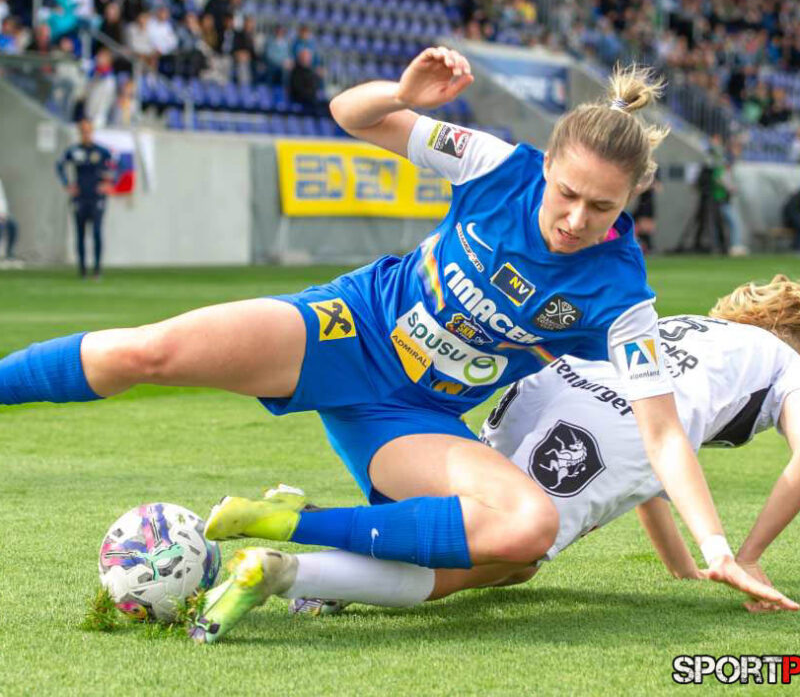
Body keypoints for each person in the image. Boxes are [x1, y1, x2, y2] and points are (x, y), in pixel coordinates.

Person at [1, 49, 793, 644]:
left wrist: (717, 546)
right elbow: (353, 114)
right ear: (545, 167)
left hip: (409, 418)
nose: (577, 218)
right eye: (567, 193)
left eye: (601, 207)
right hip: (344, 331)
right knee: (149, 354)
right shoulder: (494, 166)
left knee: (524, 534)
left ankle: (285, 528)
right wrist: (403, 97)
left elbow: (660, 432)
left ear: (630, 203)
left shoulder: (621, 292)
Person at [203, 277, 800, 623]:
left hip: (555, 384)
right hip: (613, 429)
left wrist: (678, 567)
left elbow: (657, 471)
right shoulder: (786, 362)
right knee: (507, 558)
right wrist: (744, 556)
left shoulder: (700, 327)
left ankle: (316, 557)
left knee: (476, 518)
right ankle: (297, 558)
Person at [55, 118, 115, 279]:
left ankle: (97, 270)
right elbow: (59, 165)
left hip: (97, 198)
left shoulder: (102, 151)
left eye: (88, 130)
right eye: (83, 131)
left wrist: (109, 183)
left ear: (92, 131)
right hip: (80, 197)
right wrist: (67, 184)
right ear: (80, 132)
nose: (86, 134)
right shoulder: (74, 151)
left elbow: (119, 166)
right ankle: (82, 270)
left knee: (96, 232)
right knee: (80, 234)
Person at [0, 176, 19, 262]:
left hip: (1, 215)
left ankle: (9, 254)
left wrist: (3, 214)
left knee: (13, 225)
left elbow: (2, 199)